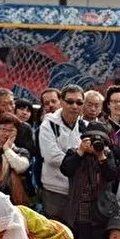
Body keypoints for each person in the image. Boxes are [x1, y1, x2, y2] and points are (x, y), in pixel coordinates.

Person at [59, 121, 119, 239]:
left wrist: (101, 157)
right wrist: (80, 152)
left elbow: (112, 175)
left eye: (100, 141)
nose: (95, 144)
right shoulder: (75, 153)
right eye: (92, 140)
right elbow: (66, 170)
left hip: (100, 213)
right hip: (78, 213)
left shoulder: (107, 155)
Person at [38, 85, 86, 221]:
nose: (75, 106)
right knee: (55, 232)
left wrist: (75, 156)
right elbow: (51, 157)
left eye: (79, 102)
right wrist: (78, 156)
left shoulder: (85, 126)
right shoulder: (48, 125)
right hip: (54, 189)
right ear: (62, 102)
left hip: (78, 188)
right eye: (70, 102)